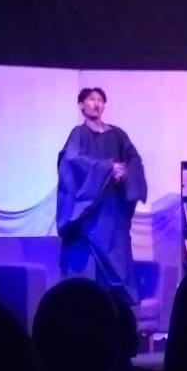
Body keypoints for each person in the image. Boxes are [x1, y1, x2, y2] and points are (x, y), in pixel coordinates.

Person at [56, 87, 147, 305]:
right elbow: (71, 161)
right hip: (91, 207)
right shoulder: (78, 134)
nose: (96, 104)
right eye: (91, 99)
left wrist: (125, 171)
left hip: (114, 205)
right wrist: (107, 168)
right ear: (81, 105)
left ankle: (122, 307)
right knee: (93, 252)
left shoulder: (117, 134)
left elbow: (134, 159)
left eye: (100, 100)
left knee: (119, 250)